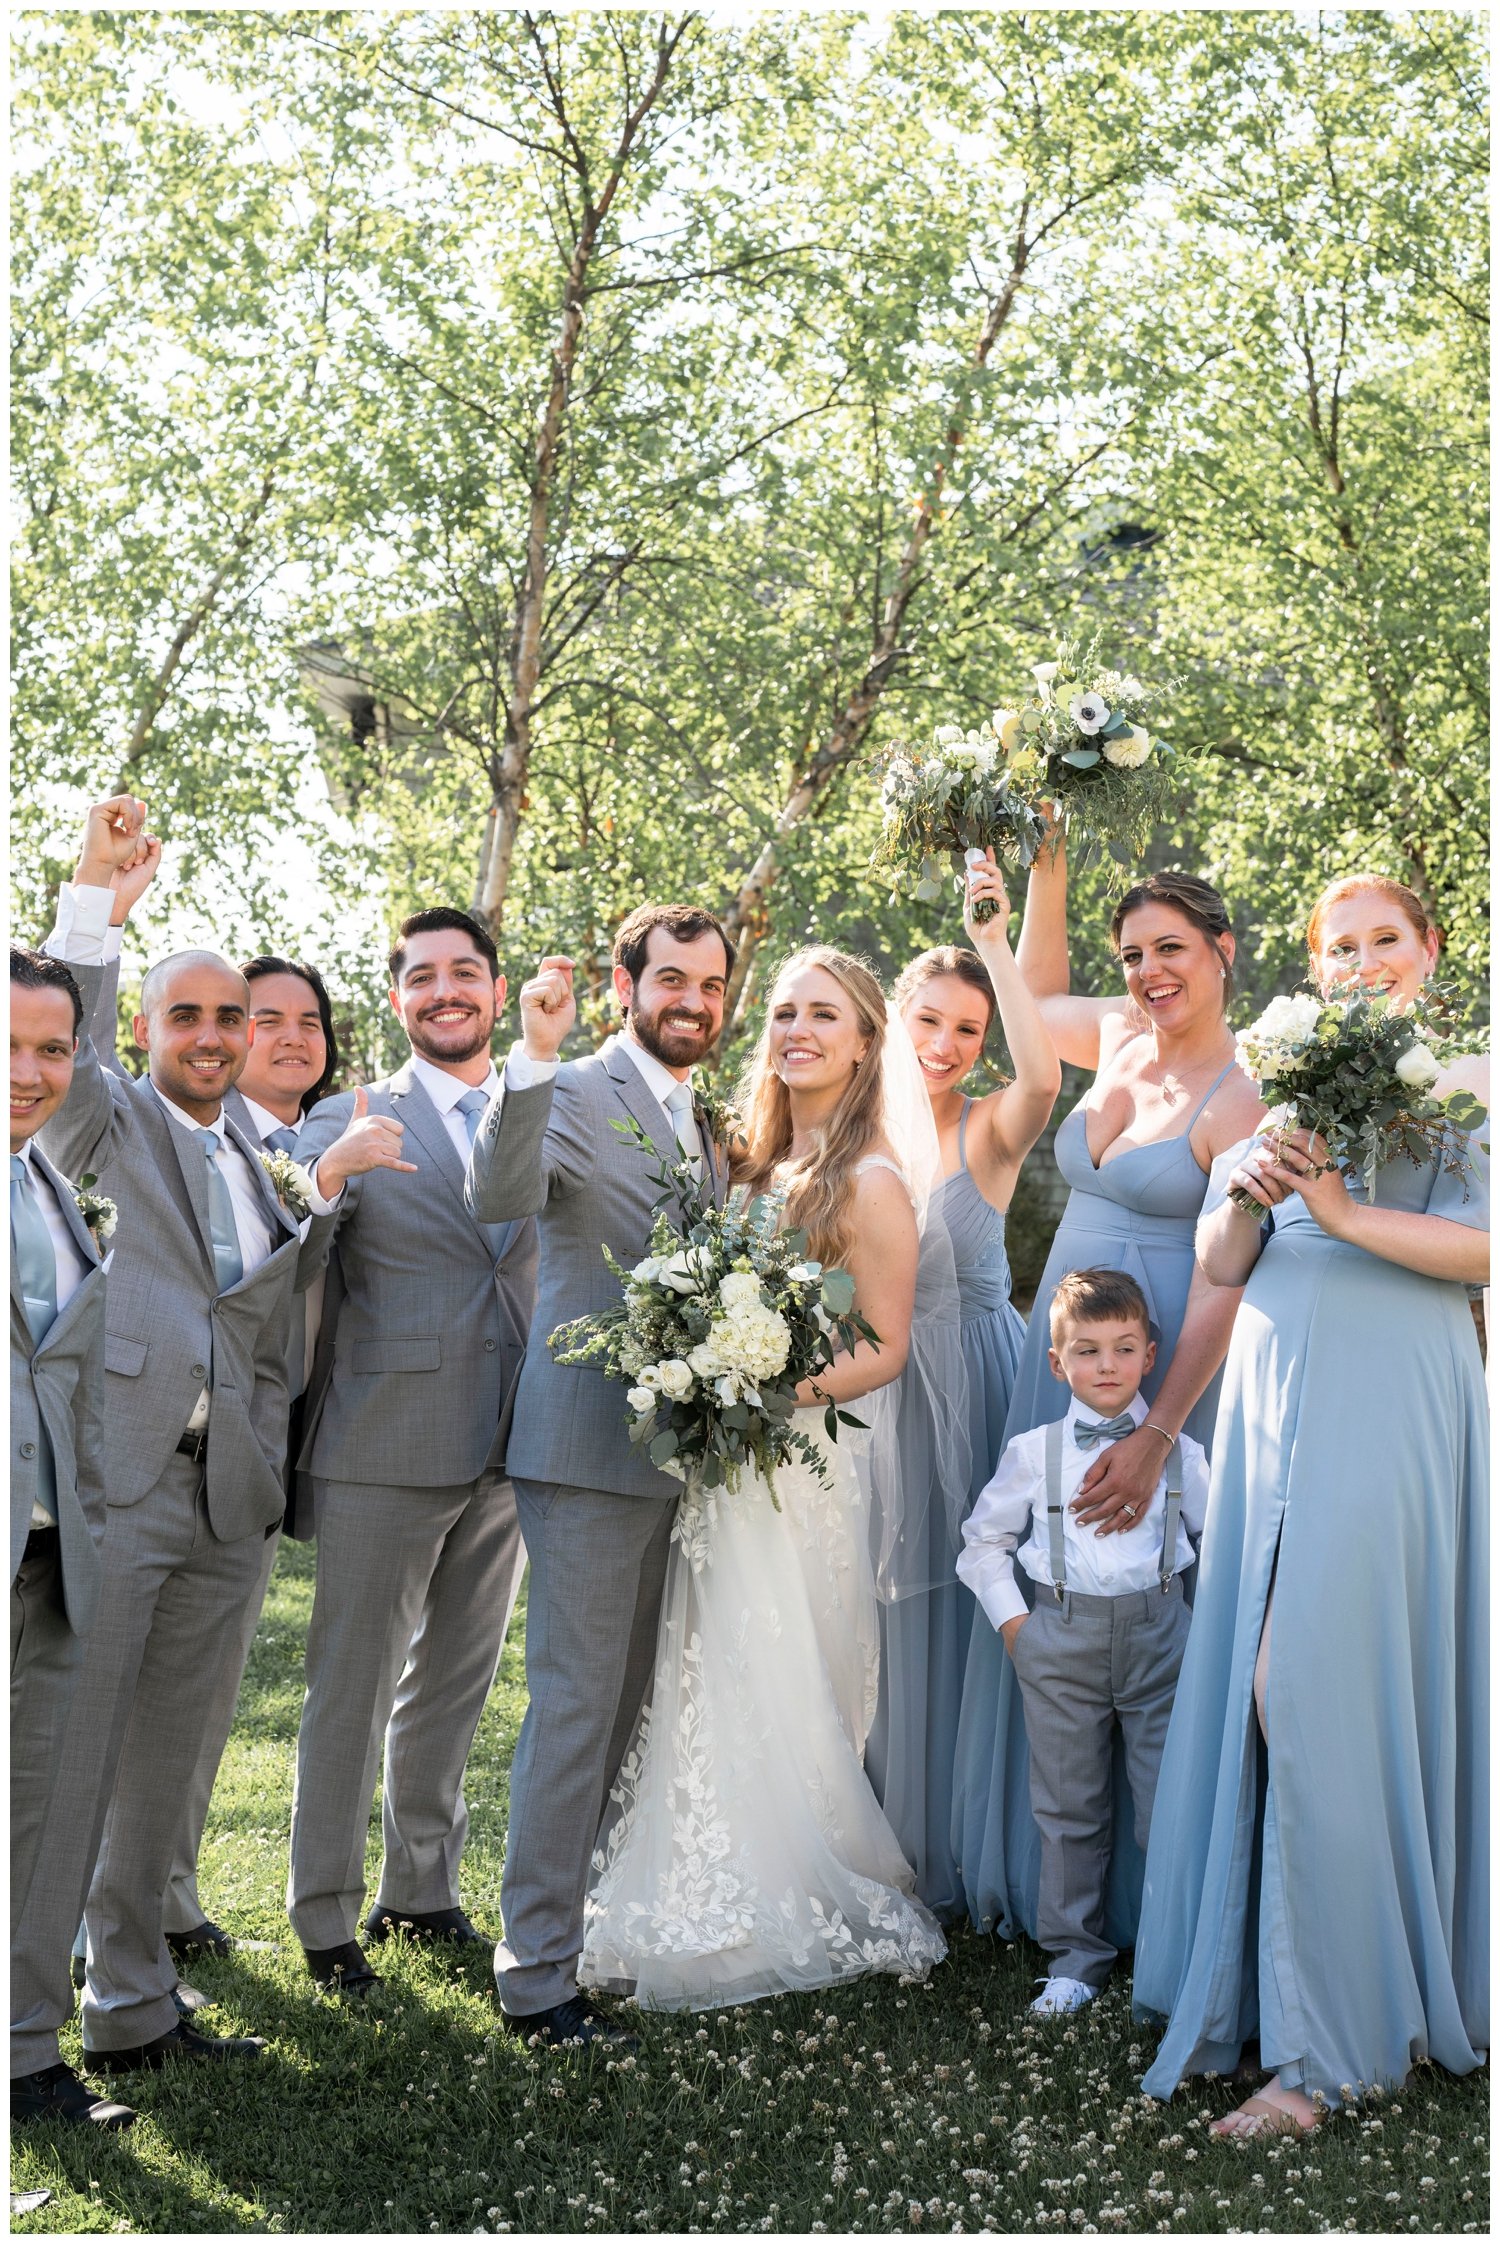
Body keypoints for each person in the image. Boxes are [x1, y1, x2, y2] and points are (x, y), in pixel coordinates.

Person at [9, 796, 371, 2086]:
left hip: (229, 1495)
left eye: (236, 1016)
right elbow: (75, 1038)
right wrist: (95, 899)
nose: (215, 1036)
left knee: (169, 1769)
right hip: (115, 1485)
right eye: (190, 1015)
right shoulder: (110, 1121)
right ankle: (24, 2040)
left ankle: (136, 2007)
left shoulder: (263, 1158)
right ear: (152, 1032)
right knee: (69, 1768)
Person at [1135, 874, 1489, 2133]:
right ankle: (1270, 1992)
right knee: (1260, 1689)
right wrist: (1256, 1195)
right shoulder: (1277, 1098)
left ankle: (1331, 2054)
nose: (1360, 961)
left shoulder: (1470, 1090)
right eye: (1339, 947)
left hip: (1397, 1406)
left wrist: (1340, 1207)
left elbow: (1486, 1249)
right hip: (1278, 1415)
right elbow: (1222, 1270)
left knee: (1314, 1689)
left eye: (1382, 939)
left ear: (1429, 950)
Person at [578, 947, 948, 2009]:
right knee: (700, 1654)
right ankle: (691, 1865)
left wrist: (761, 1395)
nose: (798, 1030)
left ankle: (783, 1878)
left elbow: (883, 1346)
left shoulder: (873, 1179)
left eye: (824, 1015)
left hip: (804, 1462)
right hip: (724, 1460)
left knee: (779, 1655)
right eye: (784, 1011)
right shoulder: (743, 1164)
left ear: (867, 1041)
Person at [950, 837, 1263, 1947]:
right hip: (1066, 1340)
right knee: (1045, 1572)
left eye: (1171, 948)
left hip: (1163, 1356)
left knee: (1148, 1595)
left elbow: (1231, 1278)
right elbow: (1028, 998)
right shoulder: (1120, 1033)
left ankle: (1155, 1905)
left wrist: (1159, 1433)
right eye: (1131, 953)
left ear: (1224, 951)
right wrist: (1046, 865)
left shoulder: (1247, 1089)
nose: (1146, 972)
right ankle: (1048, 1886)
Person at [465, 903, 738, 2043]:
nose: (692, 1000)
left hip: (674, 1462)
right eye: (671, 978)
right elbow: (498, 1193)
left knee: (626, 1712)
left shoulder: (704, 1121)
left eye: (712, 985)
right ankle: (534, 1978)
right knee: (576, 1710)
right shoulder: (572, 1088)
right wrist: (529, 1056)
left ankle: (583, 1930)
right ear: (629, 983)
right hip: (582, 1448)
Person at [286, 908, 535, 1996]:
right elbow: (292, 1258)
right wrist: (332, 1174)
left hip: (512, 1435)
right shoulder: (347, 1113)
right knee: (353, 1686)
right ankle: (324, 1917)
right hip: (383, 1439)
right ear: (398, 999)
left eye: (466, 973)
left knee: (456, 1684)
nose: (447, 991)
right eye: (424, 977)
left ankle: (420, 1889)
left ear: (493, 988)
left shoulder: (538, 1104)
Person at [867, 848, 1059, 1915]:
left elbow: (1045, 1080)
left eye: (965, 1029)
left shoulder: (988, 1130)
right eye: (929, 1020)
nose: (944, 1046)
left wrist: (996, 942)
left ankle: (966, 1841)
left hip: (978, 1386)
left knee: (966, 1601)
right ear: (894, 1017)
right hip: (871, 1391)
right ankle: (878, 1828)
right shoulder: (853, 1126)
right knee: (876, 1607)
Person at [159, 953, 344, 1969]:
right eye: (263, 1018)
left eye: (308, 1021)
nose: (288, 1038)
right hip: (170, 1449)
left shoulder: (324, 1143)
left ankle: (170, 1892)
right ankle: (144, 1904)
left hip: (264, 1456)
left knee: (208, 1692)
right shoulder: (200, 1135)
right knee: (144, 1701)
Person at [958, 1268, 1207, 2015]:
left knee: (1169, 1800)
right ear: (1057, 1363)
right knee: (1068, 1807)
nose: (1107, 1367)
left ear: (1151, 1356)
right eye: (1088, 1351)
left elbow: (1223, 1536)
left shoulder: (1179, 1453)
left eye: (1124, 1349)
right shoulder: (1037, 1453)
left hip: (1162, 1635)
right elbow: (982, 1544)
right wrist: (1018, 1629)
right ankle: (1075, 1956)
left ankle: (1176, 1951)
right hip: (1058, 1640)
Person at [10, 947, 135, 2131]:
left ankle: (24, 2053)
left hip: (54, 1549)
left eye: (52, 1047)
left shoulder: (49, 1178)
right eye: (10, 1044)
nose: (34, 1072)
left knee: (40, 1812)